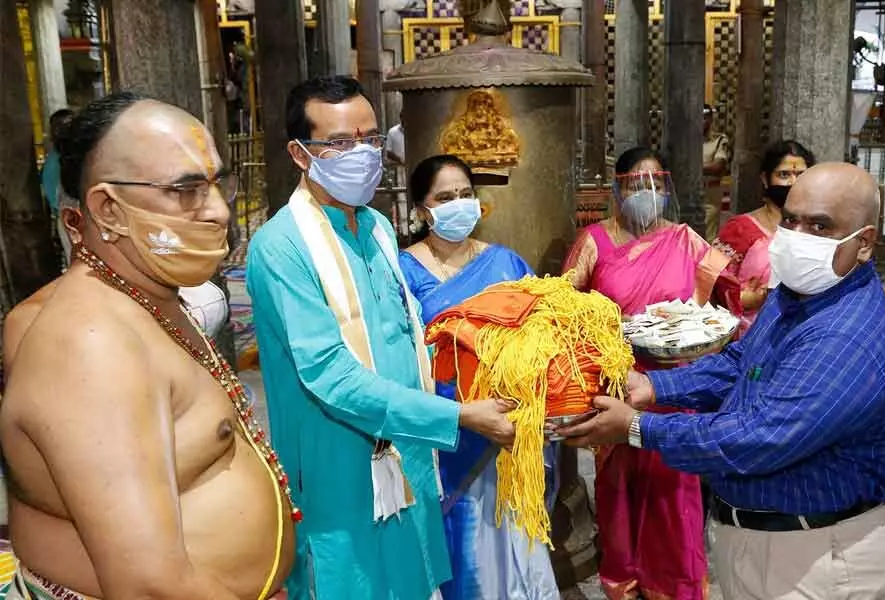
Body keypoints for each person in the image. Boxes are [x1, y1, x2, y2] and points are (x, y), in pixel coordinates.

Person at [558, 162, 885, 600]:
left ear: (864, 243)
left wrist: (637, 426)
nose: (797, 235)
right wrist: (655, 388)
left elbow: (759, 437)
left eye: (820, 225)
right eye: (791, 220)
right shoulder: (800, 293)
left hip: (827, 556)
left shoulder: (847, 336)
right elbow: (740, 360)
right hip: (773, 541)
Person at [0, 92, 296, 600]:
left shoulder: (145, 298)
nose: (219, 211)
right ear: (107, 210)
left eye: (215, 185)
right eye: (185, 190)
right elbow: (147, 585)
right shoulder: (90, 344)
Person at [245, 76, 515, 600]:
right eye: (340, 143)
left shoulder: (375, 227)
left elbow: (403, 335)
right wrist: (457, 415)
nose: (362, 155)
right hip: (339, 470)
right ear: (301, 155)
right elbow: (332, 377)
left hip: (407, 455)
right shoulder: (280, 247)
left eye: (370, 140)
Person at [561, 147, 740, 600]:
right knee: (620, 487)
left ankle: (674, 583)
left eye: (656, 184)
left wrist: (736, 273)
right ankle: (624, 580)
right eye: (637, 184)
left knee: (674, 487)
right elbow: (562, 308)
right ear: (619, 188)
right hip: (616, 382)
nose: (647, 193)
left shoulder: (684, 239)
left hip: (676, 381)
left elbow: (726, 298)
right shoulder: (594, 242)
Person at [399, 154, 560, 600]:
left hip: (509, 435)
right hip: (447, 435)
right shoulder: (402, 272)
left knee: (513, 559)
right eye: (445, 197)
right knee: (462, 559)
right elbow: (397, 358)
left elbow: (542, 336)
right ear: (420, 209)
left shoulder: (507, 263)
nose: (459, 204)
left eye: (466, 194)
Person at [713, 139, 816, 334]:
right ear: (765, 179)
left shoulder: (817, 231)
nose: (793, 183)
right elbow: (710, 285)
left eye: (801, 175)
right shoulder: (740, 229)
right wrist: (748, 298)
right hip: (747, 338)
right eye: (784, 175)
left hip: (803, 333)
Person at [41, 109, 75, 266]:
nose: (62, 131)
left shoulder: (75, 155)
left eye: (68, 125)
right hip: (67, 216)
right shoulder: (55, 158)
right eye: (57, 127)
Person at [703, 104, 730, 241]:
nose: (702, 121)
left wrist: (692, 168)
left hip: (710, 193)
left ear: (710, 119)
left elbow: (718, 167)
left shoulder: (719, 140)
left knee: (708, 236)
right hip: (687, 192)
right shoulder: (686, 141)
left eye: (705, 117)